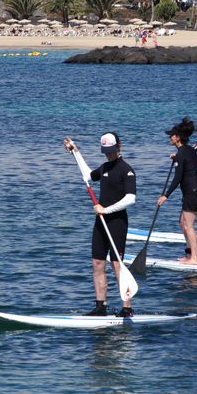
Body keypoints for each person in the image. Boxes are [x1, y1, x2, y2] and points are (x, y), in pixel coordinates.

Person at [64, 134, 136, 318]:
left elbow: (130, 199)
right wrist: (76, 153)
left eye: (111, 151)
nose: (108, 155)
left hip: (117, 222)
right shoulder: (104, 167)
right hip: (101, 222)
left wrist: (106, 210)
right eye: (105, 151)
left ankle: (127, 308)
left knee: (116, 265)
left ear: (118, 147)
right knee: (97, 263)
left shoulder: (126, 170)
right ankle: (100, 306)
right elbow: (88, 175)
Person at [157, 117, 197, 265]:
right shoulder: (188, 150)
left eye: (171, 135)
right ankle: (190, 254)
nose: (169, 138)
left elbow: (177, 178)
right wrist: (178, 158)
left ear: (177, 138)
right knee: (182, 223)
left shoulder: (182, 153)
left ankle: (195, 259)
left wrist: (165, 195)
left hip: (192, 192)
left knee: (189, 226)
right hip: (195, 191)